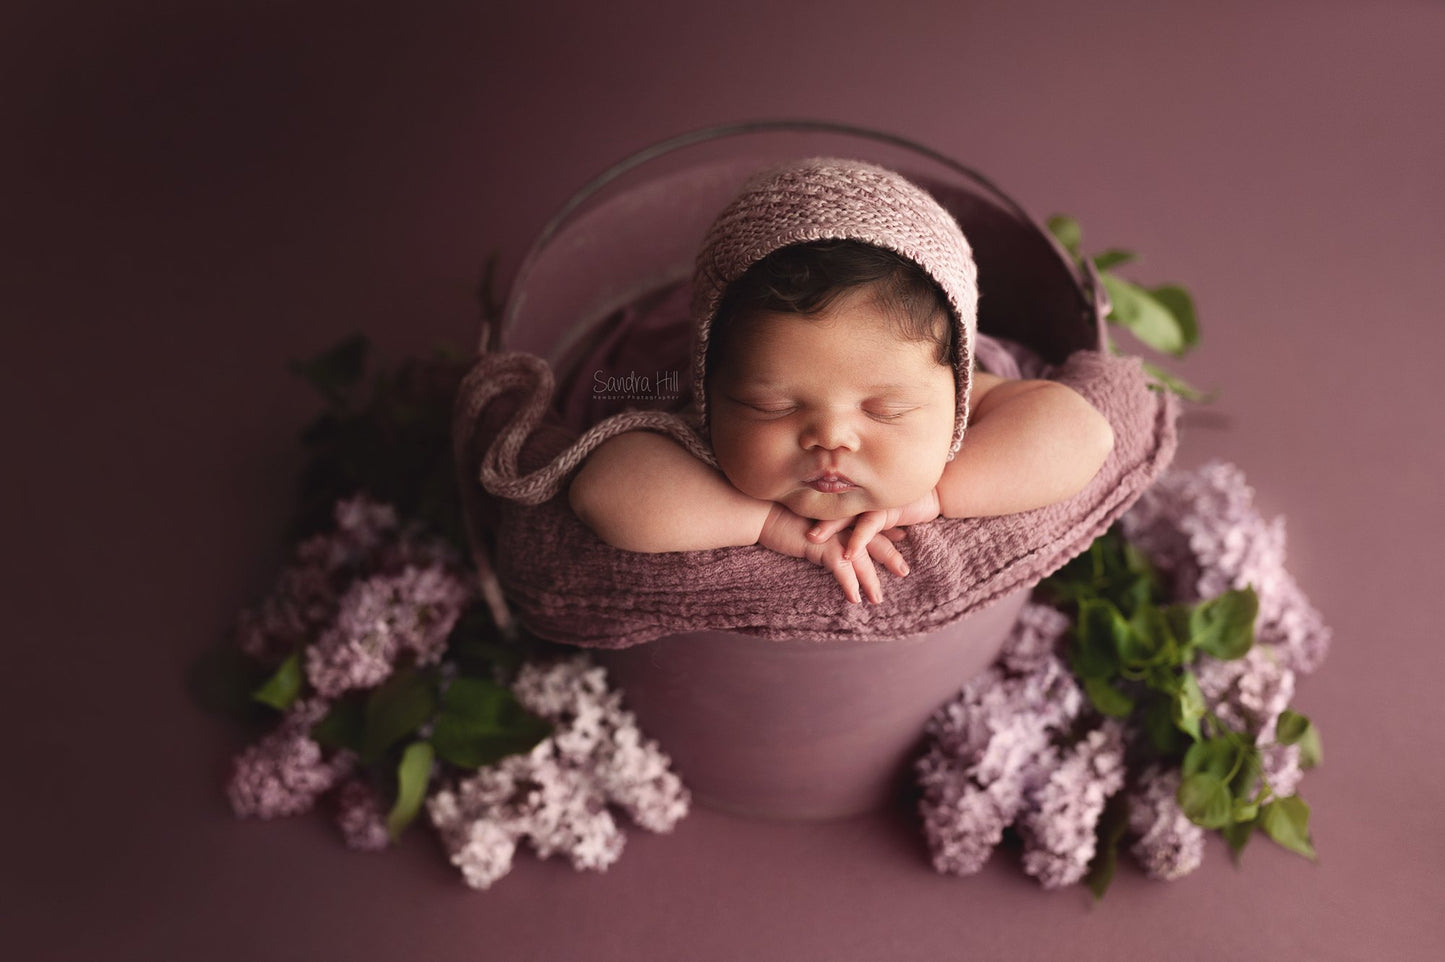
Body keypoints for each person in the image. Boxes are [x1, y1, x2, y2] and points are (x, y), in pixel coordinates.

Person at [567, 158, 1114, 605]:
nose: (831, 438)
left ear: (958, 391)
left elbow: (1083, 433)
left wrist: (932, 496)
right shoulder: (701, 401)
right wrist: (765, 523)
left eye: (885, 411)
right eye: (771, 406)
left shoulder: (956, 383)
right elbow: (602, 492)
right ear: (713, 389)